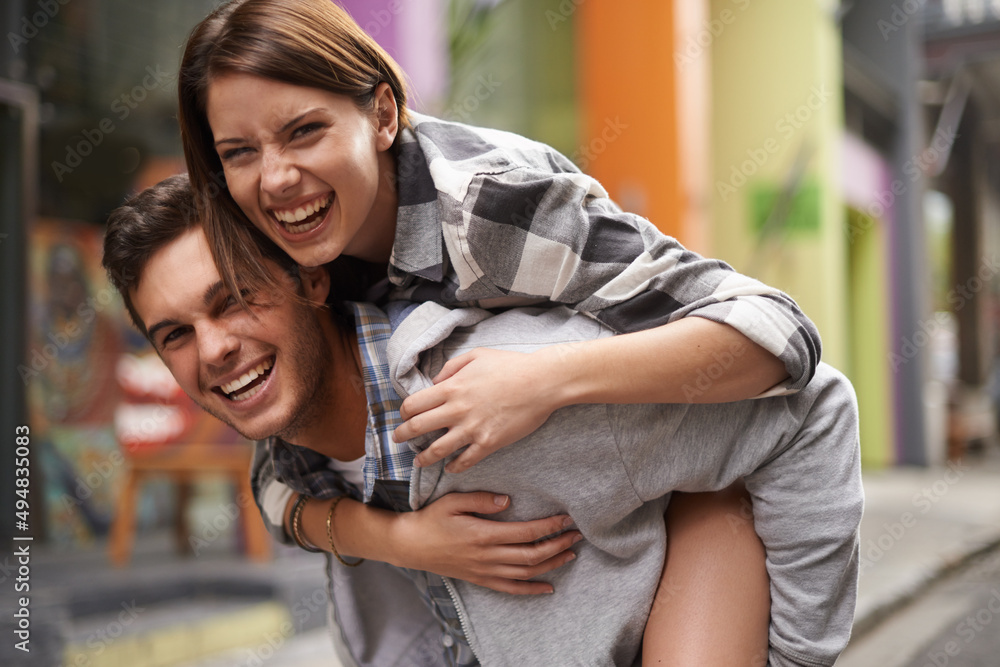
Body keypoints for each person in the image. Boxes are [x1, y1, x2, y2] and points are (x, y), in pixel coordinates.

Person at [177, 1, 823, 659]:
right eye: (240, 152)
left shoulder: (487, 209)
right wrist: (401, 540)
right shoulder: (284, 248)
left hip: (682, 493)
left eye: (304, 131)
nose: (277, 177)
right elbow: (277, 470)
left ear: (381, 114)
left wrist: (543, 381)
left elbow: (780, 334)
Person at [103, 175, 863, 667]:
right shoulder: (298, 455)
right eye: (174, 333)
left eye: (232, 297)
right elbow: (280, 500)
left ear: (309, 280)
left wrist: (792, 658)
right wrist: (386, 536)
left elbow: (812, 408)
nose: (214, 349)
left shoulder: (497, 389)